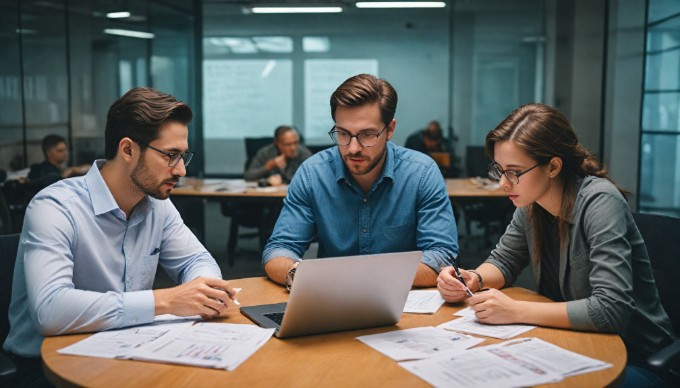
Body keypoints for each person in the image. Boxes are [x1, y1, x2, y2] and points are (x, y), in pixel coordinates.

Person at [3, 87, 237, 386]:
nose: (180, 169)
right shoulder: (55, 207)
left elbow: (197, 259)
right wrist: (166, 301)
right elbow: (50, 310)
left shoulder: (157, 206)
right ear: (128, 150)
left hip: (129, 349)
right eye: (170, 155)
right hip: (46, 366)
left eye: (183, 156)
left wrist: (202, 290)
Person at [436, 103, 676, 387]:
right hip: (573, 345)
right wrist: (473, 278)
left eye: (514, 172)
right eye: (499, 170)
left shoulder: (600, 202)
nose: (503, 182)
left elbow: (610, 310)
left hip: (637, 359)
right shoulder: (530, 203)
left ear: (553, 166)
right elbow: (504, 261)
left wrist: (515, 311)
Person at [263, 74, 458, 289]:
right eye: (343, 133)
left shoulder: (421, 173)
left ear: (390, 129)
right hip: (332, 299)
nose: (353, 148)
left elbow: (441, 256)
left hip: (406, 306)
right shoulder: (312, 174)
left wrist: (359, 278)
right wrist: (299, 274)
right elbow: (278, 250)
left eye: (367, 134)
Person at [244, 125, 312, 186]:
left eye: (295, 143)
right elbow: (248, 176)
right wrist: (268, 167)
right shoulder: (266, 153)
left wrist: (284, 180)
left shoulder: (304, 154)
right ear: (277, 143)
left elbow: (312, 178)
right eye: (288, 144)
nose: (293, 148)